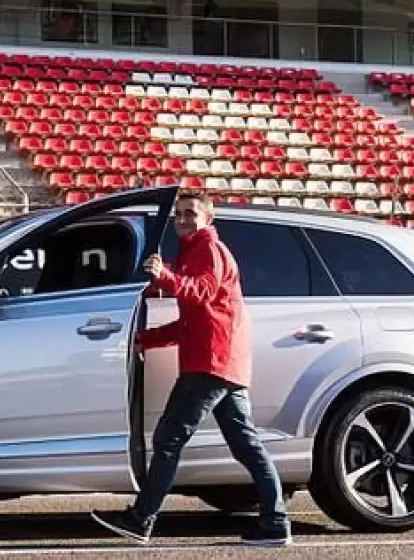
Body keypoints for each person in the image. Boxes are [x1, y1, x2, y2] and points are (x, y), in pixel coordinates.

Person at [90, 192, 291, 547]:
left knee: (168, 440)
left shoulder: (209, 250)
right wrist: (146, 339)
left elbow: (201, 292)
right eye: (179, 214)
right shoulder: (194, 250)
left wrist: (164, 275)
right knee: (246, 445)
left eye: (191, 214)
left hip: (208, 364)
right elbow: (192, 321)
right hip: (223, 362)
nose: (182, 219)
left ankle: (141, 519)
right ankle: (275, 523)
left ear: (208, 218)